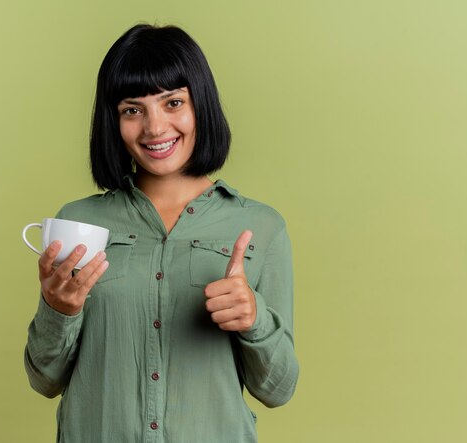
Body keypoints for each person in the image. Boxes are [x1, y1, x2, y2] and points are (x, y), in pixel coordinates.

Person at [24, 23, 299, 443]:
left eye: (173, 102)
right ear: (112, 121)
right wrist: (58, 309)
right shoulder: (77, 224)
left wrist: (254, 318)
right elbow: (45, 379)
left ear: (200, 106)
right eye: (132, 110)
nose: (154, 127)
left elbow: (278, 389)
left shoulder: (261, 227)